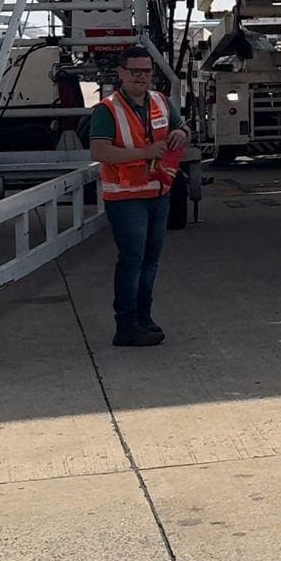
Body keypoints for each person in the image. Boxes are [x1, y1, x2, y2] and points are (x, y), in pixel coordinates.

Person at [89, 46, 190, 347]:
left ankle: (143, 318)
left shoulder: (159, 101)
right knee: (133, 260)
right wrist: (144, 153)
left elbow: (181, 127)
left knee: (150, 261)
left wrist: (181, 134)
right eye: (135, 71)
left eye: (146, 71)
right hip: (126, 198)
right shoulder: (108, 110)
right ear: (121, 73)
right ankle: (127, 325)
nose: (141, 77)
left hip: (158, 194)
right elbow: (99, 151)